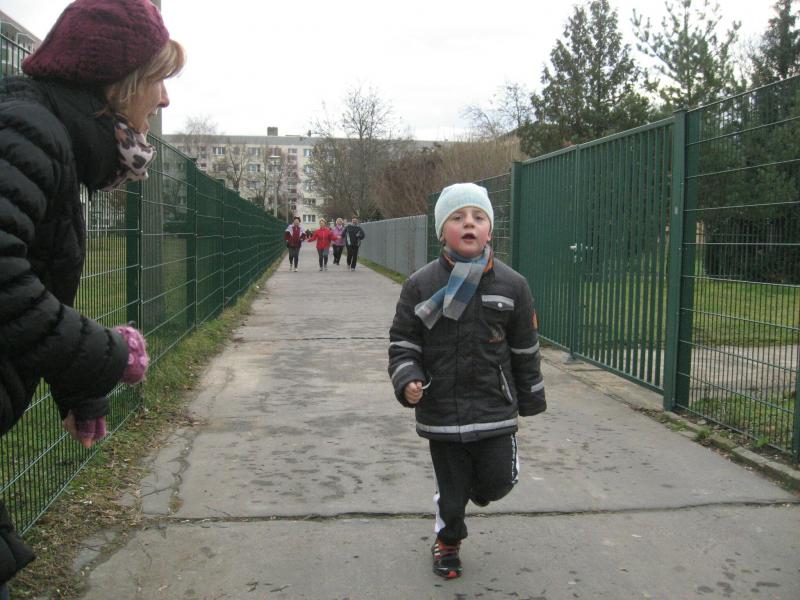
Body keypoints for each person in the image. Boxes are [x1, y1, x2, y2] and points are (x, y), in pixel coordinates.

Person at [0, 0, 183, 591]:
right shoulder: (26, 131)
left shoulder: (48, 136)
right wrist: (108, 353)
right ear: (116, 83)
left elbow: (36, 279)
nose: (164, 99)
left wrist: (79, 384)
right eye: (158, 79)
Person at [387, 183, 546, 580]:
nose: (469, 224)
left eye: (478, 217)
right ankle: (448, 541)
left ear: (490, 231)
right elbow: (404, 343)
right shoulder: (421, 284)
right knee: (452, 493)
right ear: (442, 231)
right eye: (457, 218)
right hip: (442, 409)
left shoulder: (513, 285)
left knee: (498, 482)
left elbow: (525, 348)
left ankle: (469, 491)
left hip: (494, 405)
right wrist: (408, 379)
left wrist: (530, 398)